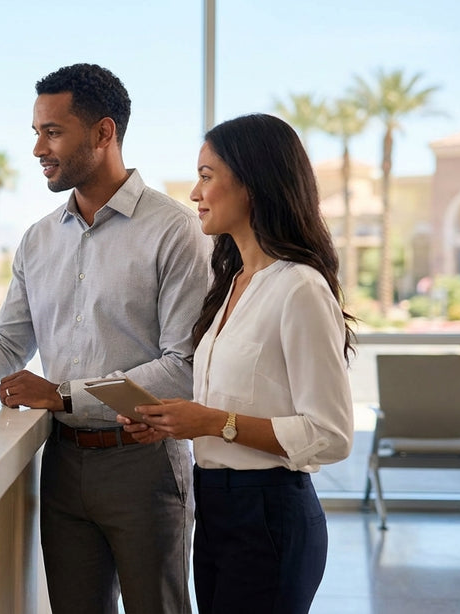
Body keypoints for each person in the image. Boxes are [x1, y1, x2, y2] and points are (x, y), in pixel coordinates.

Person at [0, 63, 211, 614]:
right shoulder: (37, 241)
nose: (37, 149)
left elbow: (183, 368)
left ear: (104, 133)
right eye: (36, 132)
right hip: (61, 463)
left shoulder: (175, 231)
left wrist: (63, 395)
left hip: (144, 466)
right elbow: (5, 348)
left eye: (52, 132)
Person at [119, 113, 356, 614]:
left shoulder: (300, 288)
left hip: (270, 516)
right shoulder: (228, 286)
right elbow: (235, 406)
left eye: (207, 176)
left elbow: (331, 434)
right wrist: (176, 421)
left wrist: (210, 422)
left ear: (252, 183)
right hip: (218, 510)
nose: (194, 192)